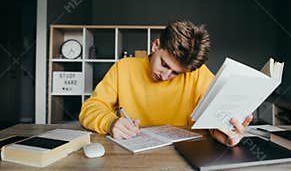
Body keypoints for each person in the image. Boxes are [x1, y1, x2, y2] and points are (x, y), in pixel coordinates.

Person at [79, 21, 253, 147]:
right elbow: (90, 108)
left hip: (186, 154)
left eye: (176, 73)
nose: (165, 76)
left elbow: (216, 111)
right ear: (156, 46)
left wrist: (220, 130)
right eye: (164, 65)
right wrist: (110, 122)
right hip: (132, 153)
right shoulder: (124, 68)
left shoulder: (197, 74)